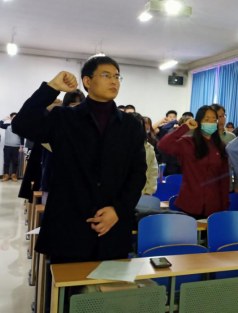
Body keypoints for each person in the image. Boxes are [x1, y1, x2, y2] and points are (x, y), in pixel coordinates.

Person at [12, 55, 147, 263]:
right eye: (106, 75)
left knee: (109, 282)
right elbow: (21, 124)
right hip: (69, 227)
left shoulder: (131, 125)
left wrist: (118, 210)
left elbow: (137, 173)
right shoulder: (64, 118)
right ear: (87, 81)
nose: (114, 81)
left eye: (117, 77)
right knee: (68, 283)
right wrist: (51, 88)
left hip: (112, 227)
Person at [158, 106, 230, 218]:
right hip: (189, 203)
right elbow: (163, 145)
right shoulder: (187, 142)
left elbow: (224, 179)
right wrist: (185, 127)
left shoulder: (220, 146)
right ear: (199, 121)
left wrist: (224, 205)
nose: (211, 123)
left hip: (214, 205)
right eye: (207, 119)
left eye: (213, 119)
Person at [131, 113, 159, 195]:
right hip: (120, 196)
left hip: (143, 193)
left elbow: (153, 171)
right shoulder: (117, 146)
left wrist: (149, 191)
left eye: (139, 126)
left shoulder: (148, 147)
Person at [0, 113, 25, 182]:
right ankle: (6, 175)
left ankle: (14, 175)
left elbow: (22, 137)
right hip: (7, 146)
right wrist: (4, 119)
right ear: (11, 118)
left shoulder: (20, 127)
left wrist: (21, 146)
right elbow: (0, 124)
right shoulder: (7, 126)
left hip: (16, 147)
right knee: (6, 161)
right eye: (13, 117)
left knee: (15, 161)